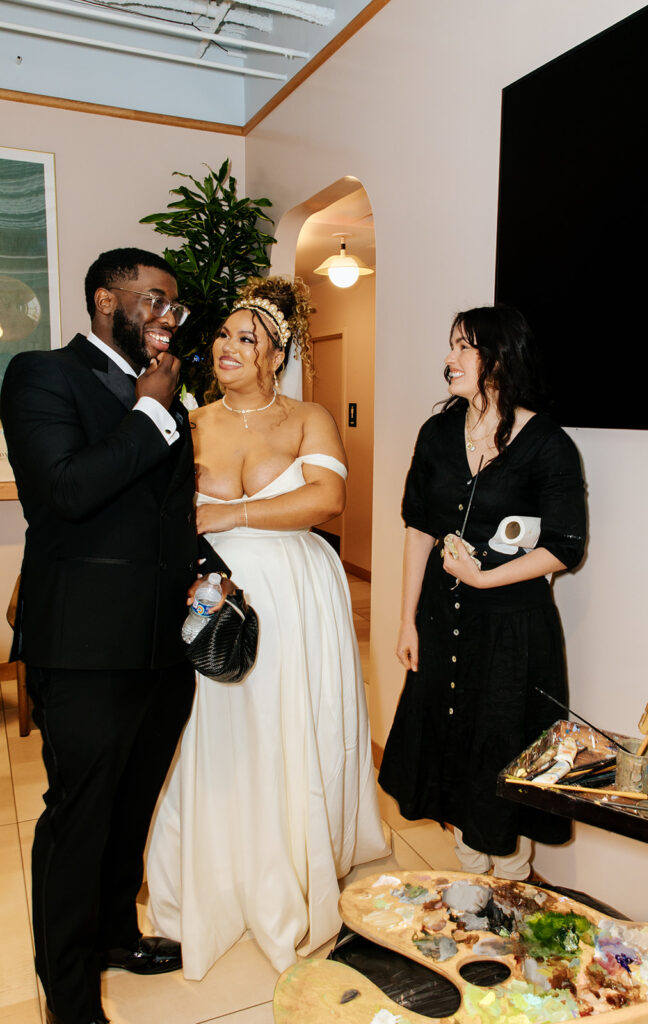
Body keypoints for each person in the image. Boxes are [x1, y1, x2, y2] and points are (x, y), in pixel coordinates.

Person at [0, 248, 230, 1024]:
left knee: (131, 809)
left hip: (162, 648)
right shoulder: (42, 376)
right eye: (154, 300)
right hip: (85, 650)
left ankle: (113, 938)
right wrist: (151, 413)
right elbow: (65, 491)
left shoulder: (164, 395)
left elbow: (167, 512)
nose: (169, 317)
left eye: (175, 306)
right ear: (105, 300)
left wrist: (209, 570)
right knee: (80, 820)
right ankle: (69, 1000)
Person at [146, 276, 388, 976]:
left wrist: (230, 513)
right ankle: (219, 869)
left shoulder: (309, 417)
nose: (227, 346)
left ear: (276, 356)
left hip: (295, 596)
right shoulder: (192, 422)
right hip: (214, 596)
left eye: (246, 338)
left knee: (290, 723)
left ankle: (296, 858)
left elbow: (327, 499)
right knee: (218, 730)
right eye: (224, 334)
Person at [378, 304, 586, 881]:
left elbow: (565, 545)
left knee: (501, 751)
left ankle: (513, 884)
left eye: (464, 347)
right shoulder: (437, 434)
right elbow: (419, 528)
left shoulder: (547, 444)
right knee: (448, 747)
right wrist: (406, 620)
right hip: (441, 620)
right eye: (452, 345)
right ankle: (469, 882)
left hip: (512, 631)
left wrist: (483, 578)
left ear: (500, 358)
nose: (450, 358)